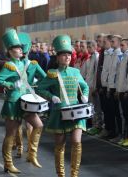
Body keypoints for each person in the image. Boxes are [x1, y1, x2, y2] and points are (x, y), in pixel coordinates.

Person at [36, 35, 89, 177]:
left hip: (76, 112)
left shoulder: (76, 72)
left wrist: (85, 95)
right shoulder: (53, 74)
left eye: (69, 55)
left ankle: (74, 174)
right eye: (64, 55)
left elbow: (85, 86)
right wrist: (51, 97)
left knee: (77, 142)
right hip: (59, 113)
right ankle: (61, 174)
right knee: (60, 145)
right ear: (58, 57)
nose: (67, 57)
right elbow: (40, 88)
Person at [0, 29, 44, 173]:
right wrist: (10, 85)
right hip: (13, 102)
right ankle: (8, 162)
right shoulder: (9, 66)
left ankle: (32, 154)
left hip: (25, 101)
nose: (20, 49)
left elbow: (36, 78)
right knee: (11, 134)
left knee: (38, 125)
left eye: (21, 47)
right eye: (17, 48)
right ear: (10, 51)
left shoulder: (24, 64)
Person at [13, 32, 46, 158]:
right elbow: (44, 78)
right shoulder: (34, 64)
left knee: (17, 122)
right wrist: (36, 84)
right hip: (30, 96)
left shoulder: (14, 64)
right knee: (30, 123)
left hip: (17, 95)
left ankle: (20, 149)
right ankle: (30, 149)